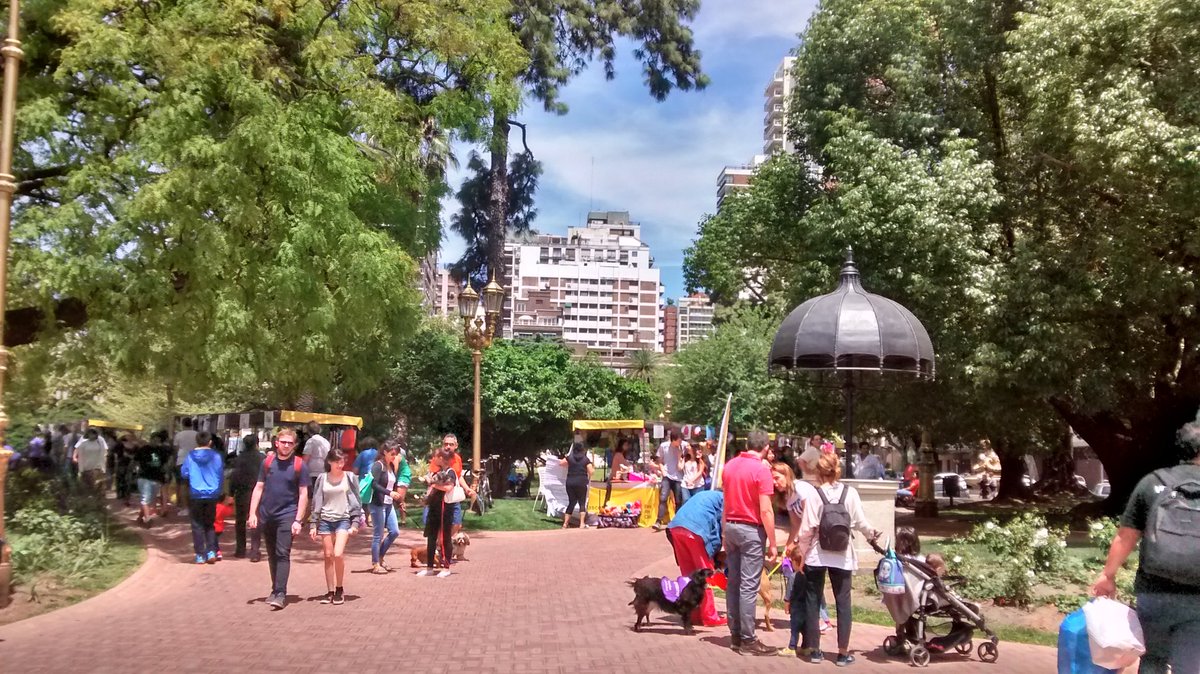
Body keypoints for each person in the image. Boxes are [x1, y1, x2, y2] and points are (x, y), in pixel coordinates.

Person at [1090, 413, 1200, 673]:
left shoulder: (1153, 483)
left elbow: (1126, 536)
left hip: (1154, 591)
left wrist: (1108, 575)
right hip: (1197, 596)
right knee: (1191, 665)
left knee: (1152, 660)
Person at [797, 452, 882, 666]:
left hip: (817, 554)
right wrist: (871, 534)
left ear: (818, 472)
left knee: (813, 600)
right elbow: (860, 522)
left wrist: (801, 554)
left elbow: (807, 528)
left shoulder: (815, 494)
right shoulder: (850, 493)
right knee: (843, 602)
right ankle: (843, 653)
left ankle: (815, 650)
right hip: (843, 555)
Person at [722, 429, 779, 656]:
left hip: (731, 526)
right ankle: (748, 638)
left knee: (733, 582)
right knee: (748, 586)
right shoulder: (761, 470)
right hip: (751, 530)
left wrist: (724, 530)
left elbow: (725, 502)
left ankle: (735, 634)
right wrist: (773, 542)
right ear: (765, 447)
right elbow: (766, 510)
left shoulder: (730, 466)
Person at [248, 429, 310, 610]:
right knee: (272, 553)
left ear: (294, 445)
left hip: (287, 515)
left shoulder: (299, 465)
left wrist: (298, 520)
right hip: (267, 514)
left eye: (290, 443)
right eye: (283, 442)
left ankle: (281, 593)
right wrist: (252, 513)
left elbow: (303, 493)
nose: (286, 445)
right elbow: (259, 487)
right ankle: (275, 589)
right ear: (276, 443)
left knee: (283, 553)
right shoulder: (267, 463)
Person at [772, 461, 821, 657]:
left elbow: (809, 520)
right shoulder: (789, 497)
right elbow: (795, 525)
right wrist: (789, 546)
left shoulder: (801, 490)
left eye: (777, 478)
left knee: (809, 590)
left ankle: (811, 641)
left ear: (787, 475)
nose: (775, 483)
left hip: (815, 544)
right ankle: (807, 642)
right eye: (772, 479)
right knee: (802, 586)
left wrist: (798, 544)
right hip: (805, 543)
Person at [666, 488, 727, 628]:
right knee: (706, 575)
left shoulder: (705, 495)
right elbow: (722, 526)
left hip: (675, 528)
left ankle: (692, 614)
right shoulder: (724, 499)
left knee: (688, 575)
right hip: (695, 530)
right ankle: (709, 617)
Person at [309, 448, 362, 605]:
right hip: (326, 520)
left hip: (343, 519)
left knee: (338, 554)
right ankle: (330, 590)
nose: (340, 465)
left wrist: (355, 522)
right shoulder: (322, 478)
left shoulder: (349, 477)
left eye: (342, 462)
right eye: (337, 462)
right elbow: (316, 501)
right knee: (328, 555)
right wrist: (313, 524)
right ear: (329, 462)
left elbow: (356, 501)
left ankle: (339, 588)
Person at [420, 438, 472, 577]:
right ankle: (429, 567)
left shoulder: (450, 472)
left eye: (436, 456)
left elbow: (448, 487)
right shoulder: (438, 471)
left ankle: (446, 567)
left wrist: (433, 484)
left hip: (445, 508)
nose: (434, 459)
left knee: (445, 538)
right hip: (434, 508)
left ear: (442, 458)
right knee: (431, 537)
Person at [181, 431, 225, 565]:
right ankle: (211, 551)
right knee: (210, 524)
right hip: (212, 494)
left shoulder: (190, 456)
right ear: (210, 442)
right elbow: (220, 473)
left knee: (196, 524)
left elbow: (184, 473)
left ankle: (200, 554)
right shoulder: (216, 456)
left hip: (196, 493)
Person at [230, 435, 265, 560]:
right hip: (259, 492)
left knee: (240, 521)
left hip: (242, 492)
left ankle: (240, 549)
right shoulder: (262, 458)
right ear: (257, 444)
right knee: (256, 521)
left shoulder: (239, 458)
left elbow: (234, 476)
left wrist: (231, 493)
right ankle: (255, 551)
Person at [368, 444, 401, 574]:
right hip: (378, 503)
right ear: (385, 452)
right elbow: (374, 484)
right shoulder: (378, 465)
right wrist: (389, 493)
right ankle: (375, 563)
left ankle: (380, 556)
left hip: (389, 503)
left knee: (394, 531)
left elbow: (392, 485)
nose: (394, 456)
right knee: (378, 534)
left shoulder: (391, 466)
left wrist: (398, 500)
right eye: (392, 454)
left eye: (396, 454)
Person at [132, 430, 172, 528]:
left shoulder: (162, 451)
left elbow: (165, 464)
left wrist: (166, 473)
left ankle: (140, 517)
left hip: (157, 478)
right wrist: (135, 471)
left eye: (158, 440)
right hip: (144, 477)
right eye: (154, 440)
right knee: (145, 499)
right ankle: (148, 519)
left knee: (149, 501)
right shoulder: (143, 449)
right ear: (151, 439)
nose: (156, 442)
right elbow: (135, 461)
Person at [654, 430, 686, 528]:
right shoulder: (664, 446)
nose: (680, 442)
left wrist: (681, 455)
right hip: (667, 475)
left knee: (678, 500)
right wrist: (663, 470)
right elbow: (659, 461)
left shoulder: (683, 446)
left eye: (681, 440)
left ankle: (678, 521)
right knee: (663, 497)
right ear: (673, 440)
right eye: (678, 441)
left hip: (679, 477)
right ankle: (658, 521)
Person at [560, 442, 593, 529]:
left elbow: (561, 463)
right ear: (582, 449)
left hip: (570, 482)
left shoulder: (570, 458)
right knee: (582, 502)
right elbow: (591, 471)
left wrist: (569, 462)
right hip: (581, 482)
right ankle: (582, 524)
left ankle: (565, 524)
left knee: (571, 502)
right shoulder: (585, 459)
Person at [172, 417, 199, 513]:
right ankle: (193, 506)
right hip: (195, 461)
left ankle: (185, 507)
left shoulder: (178, 435)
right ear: (191, 424)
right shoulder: (197, 434)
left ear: (182, 424)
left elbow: (176, 449)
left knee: (183, 485)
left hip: (182, 460)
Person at [74, 428, 108, 493]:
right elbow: (81, 457)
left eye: (93, 433)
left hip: (97, 467)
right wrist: (81, 469)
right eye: (90, 433)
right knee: (88, 487)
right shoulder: (83, 444)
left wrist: (103, 468)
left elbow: (103, 455)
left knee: (97, 486)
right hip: (87, 468)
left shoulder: (100, 443)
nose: (92, 435)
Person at [302, 420, 330, 497]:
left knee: (311, 496)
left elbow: (306, 458)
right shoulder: (326, 441)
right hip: (323, 471)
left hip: (312, 472)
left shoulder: (311, 441)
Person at [213, 495, 234, 561]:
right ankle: (216, 553)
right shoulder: (223, 507)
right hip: (220, 528)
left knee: (213, 541)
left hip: (213, 527)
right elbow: (229, 512)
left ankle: (217, 553)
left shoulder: (215, 507)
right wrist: (231, 504)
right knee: (214, 540)